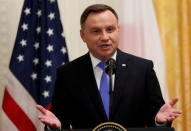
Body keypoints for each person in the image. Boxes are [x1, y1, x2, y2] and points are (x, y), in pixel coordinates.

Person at [36, 4, 182, 129]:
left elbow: (156, 118)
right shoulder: (68, 74)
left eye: (110, 29)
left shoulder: (142, 69)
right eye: (96, 31)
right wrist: (54, 126)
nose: (105, 37)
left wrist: (159, 121)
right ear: (83, 35)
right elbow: (59, 120)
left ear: (118, 30)